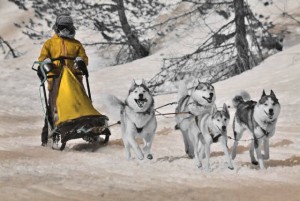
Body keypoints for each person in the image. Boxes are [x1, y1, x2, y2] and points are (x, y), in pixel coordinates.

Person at [38, 14, 88, 146]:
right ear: (57, 27)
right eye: (62, 27)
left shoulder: (76, 44)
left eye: (67, 27)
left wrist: (80, 61)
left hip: (74, 80)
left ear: (72, 28)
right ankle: (48, 138)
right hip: (55, 80)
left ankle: (87, 130)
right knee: (53, 108)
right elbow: (42, 58)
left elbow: (83, 57)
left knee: (80, 104)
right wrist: (46, 62)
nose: (65, 30)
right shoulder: (50, 43)